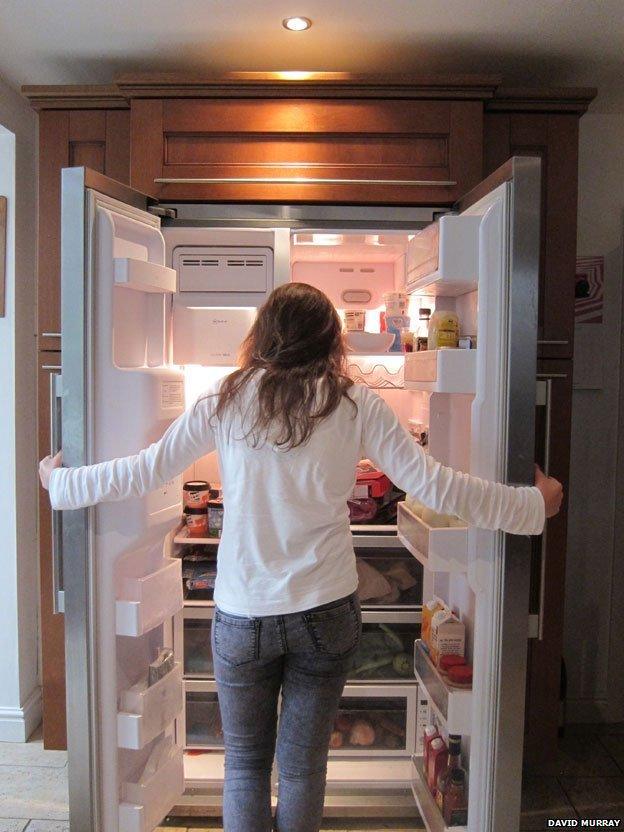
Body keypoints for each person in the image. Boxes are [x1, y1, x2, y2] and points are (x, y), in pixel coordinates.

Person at [39, 282, 563, 832]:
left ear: (263, 334)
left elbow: (146, 469)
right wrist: (532, 505)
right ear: (330, 341)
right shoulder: (355, 404)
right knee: (303, 769)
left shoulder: (225, 398)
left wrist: (65, 484)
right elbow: (436, 485)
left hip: (243, 614)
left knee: (243, 765)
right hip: (326, 612)